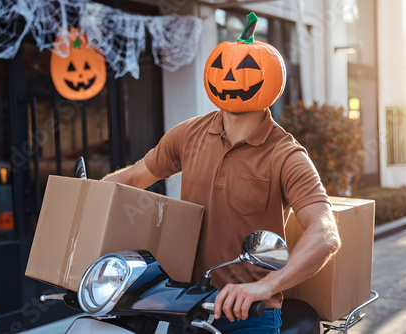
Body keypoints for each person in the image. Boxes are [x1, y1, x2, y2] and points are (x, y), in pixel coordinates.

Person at [102, 12, 340, 334]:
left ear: (272, 80)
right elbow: (133, 178)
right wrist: (83, 206)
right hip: (185, 306)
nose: (231, 79)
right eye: (221, 69)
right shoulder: (188, 135)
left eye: (245, 70)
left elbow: (325, 233)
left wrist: (265, 286)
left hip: (250, 313)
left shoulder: (286, 155)